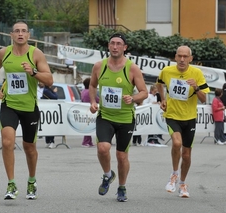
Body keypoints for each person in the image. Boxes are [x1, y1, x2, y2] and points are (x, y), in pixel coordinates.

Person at [0, 21, 53, 200]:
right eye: (16, 31)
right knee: (7, 142)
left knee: (29, 147)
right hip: (9, 104)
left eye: (23, 31)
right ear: (11, 35)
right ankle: (11, 183)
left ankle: (32, 181)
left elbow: (49, 80)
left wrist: (33, 72)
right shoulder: (4, 52)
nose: (20, 34)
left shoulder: (36, 53)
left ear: (28, 35)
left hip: (29, 108)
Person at [89, 32, 148, 202]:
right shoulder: (99, 66)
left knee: (122, 156)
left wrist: (133, 98)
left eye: (118, 44)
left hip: (125, 118)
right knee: (102, 148)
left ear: (124, 48)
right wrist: (93, 102)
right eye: (112, 43)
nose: (115, 47)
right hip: (105, 116)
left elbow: (144, 92)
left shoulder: (132, 68)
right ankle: (108, 175)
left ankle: (122, 187)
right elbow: (92, 85)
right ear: (108, 46)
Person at [158, 45, 210, 198]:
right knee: (176, 143)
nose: (182, 59)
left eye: (185, 56)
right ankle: (174, 174)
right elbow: (159, 83)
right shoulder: (167, 71)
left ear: (190, 58)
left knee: (186, 155)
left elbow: (204, 99)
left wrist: (196, 87)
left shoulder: (197, 73)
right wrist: (162, 99)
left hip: (189, 118)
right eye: (179, 56)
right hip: (172, 115)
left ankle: (182, 183)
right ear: (175, 57)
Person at [81, 77, 98, 147]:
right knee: (89, 126)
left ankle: (89, 141)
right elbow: (96, 99)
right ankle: (86, 141)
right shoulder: (89, 92)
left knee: (88, 125)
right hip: (90, 110)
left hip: (85, 110)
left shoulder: (83, 91)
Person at [40, 82, 58, 149]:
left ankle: (48, 141)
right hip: (49, 110)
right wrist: (55, 92)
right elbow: (55, 97)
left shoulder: (46, 90)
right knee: (50, 127)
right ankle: (51, 141)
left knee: (48, 126)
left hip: (48, 110)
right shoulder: (47, 90)